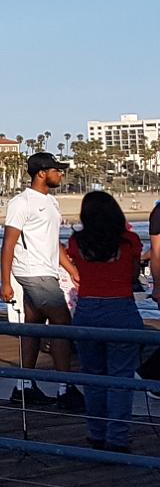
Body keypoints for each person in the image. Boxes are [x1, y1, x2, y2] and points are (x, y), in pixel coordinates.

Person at [58, 190, 143, 451]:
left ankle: (96, 432)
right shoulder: (129, 241)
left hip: (88, 309)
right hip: (120, 307)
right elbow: (132, 275)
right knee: (121, 378)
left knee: (93, 377)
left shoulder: (77, 242)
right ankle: (117, 437)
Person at [2, 152, 79, 410]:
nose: (61, 174)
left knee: (33, 324)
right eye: (57, 170)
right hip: (33, 271)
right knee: (62, 324)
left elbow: (52, 241)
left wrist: (71, 269)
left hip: (47, 269)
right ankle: (65, 388)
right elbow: (9, 242)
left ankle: (24, 386)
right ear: (41, 173)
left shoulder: (52, 202)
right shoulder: (21, 202)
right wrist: (5, 282)